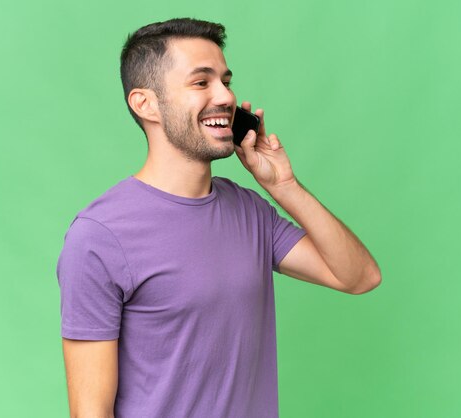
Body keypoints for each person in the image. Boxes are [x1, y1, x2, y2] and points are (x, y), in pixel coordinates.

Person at [56, 17, 381, 418]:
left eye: (226, 81)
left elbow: (359, 277)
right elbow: (90, 412)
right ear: (146, 104)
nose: (225, 97)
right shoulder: (98, 237)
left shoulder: (250, 210)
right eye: (201, 82)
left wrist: (284, 186)